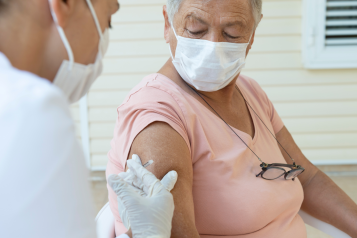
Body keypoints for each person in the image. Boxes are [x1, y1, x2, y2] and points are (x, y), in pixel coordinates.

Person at [106, 0, 357, 237]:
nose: (212, 45)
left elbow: (307, 178)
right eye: (195, 30)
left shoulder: (250, 92)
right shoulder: (158, 116)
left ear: (252, 36)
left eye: (232, 33)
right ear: (167, 24)